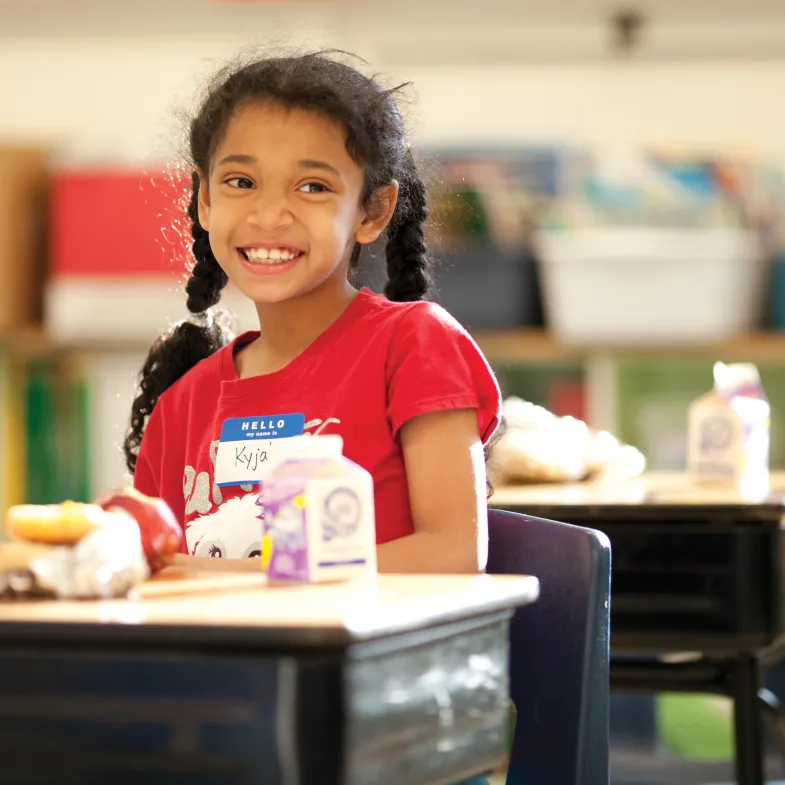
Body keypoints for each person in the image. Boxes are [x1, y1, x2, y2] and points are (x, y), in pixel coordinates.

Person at [125, 51, 502, 574]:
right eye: (241, 182)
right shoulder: (181, 406)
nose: (270, 214)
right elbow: (150, 577)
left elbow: (452, 554)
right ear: (204, 200)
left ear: (373, 211)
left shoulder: (415, 345)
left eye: (313, 187)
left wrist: (214, 573)